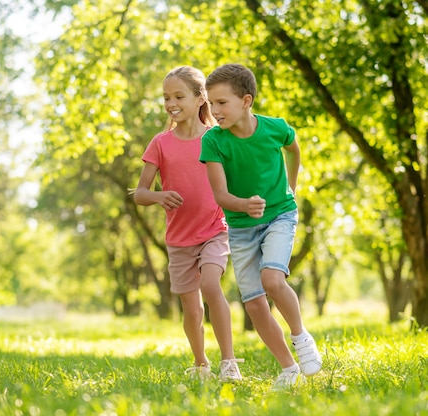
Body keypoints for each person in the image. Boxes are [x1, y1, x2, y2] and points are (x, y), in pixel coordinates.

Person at [199, 63, 322, 390]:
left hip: (280, 214)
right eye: (211, 103)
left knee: (272, 278)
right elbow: (220, 195)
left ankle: (301, 337)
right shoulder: (213, 141)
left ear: (246, 100)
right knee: (253, 304)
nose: (215, 110)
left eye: (222, 103)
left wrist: (292, 184)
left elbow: (293, 146)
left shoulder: (274, 128)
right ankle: (289, 369)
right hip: (240, 226)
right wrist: (243, 205)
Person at [133, 66, 242, 381]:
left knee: (211, 285)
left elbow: (238, 175)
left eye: (179, 96)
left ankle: (229, 362)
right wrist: (158, 196)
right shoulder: (161, 143)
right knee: (192, 310)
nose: (171, 103)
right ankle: (200, 363)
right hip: (179, 238)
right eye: (167, 97)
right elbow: (140, 193)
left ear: (200, 98)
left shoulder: (217, 138)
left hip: (214, 229)